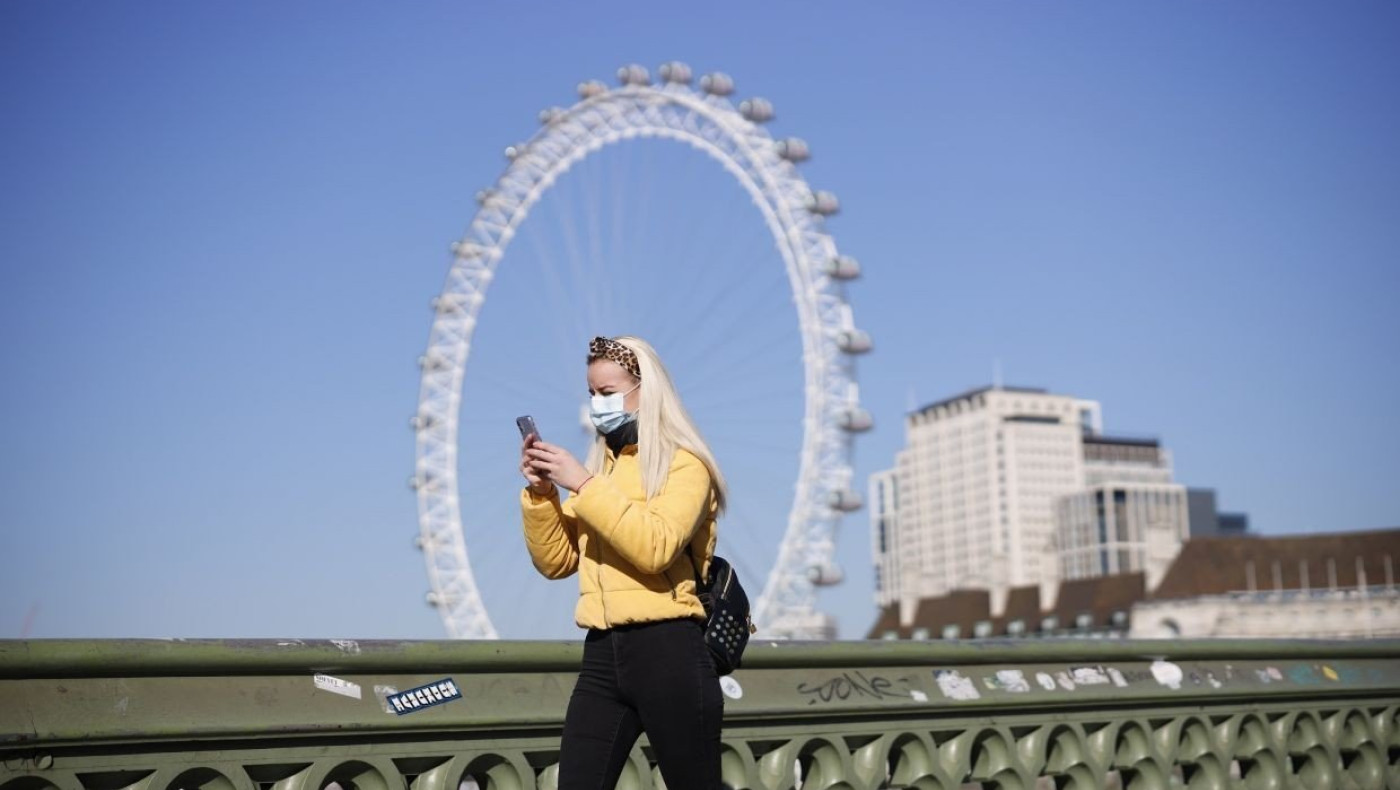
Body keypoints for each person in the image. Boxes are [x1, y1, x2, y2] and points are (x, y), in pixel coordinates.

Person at [519, 335, 727, 790]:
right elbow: (556, 562)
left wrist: (584, 485)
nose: (596, 404)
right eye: (592, 393)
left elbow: (656, 547)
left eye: (608, 393)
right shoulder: (604, 469)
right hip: (601, 653)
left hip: (669, 650)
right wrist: (542, 496)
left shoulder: (685, 466)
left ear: (645, 391)